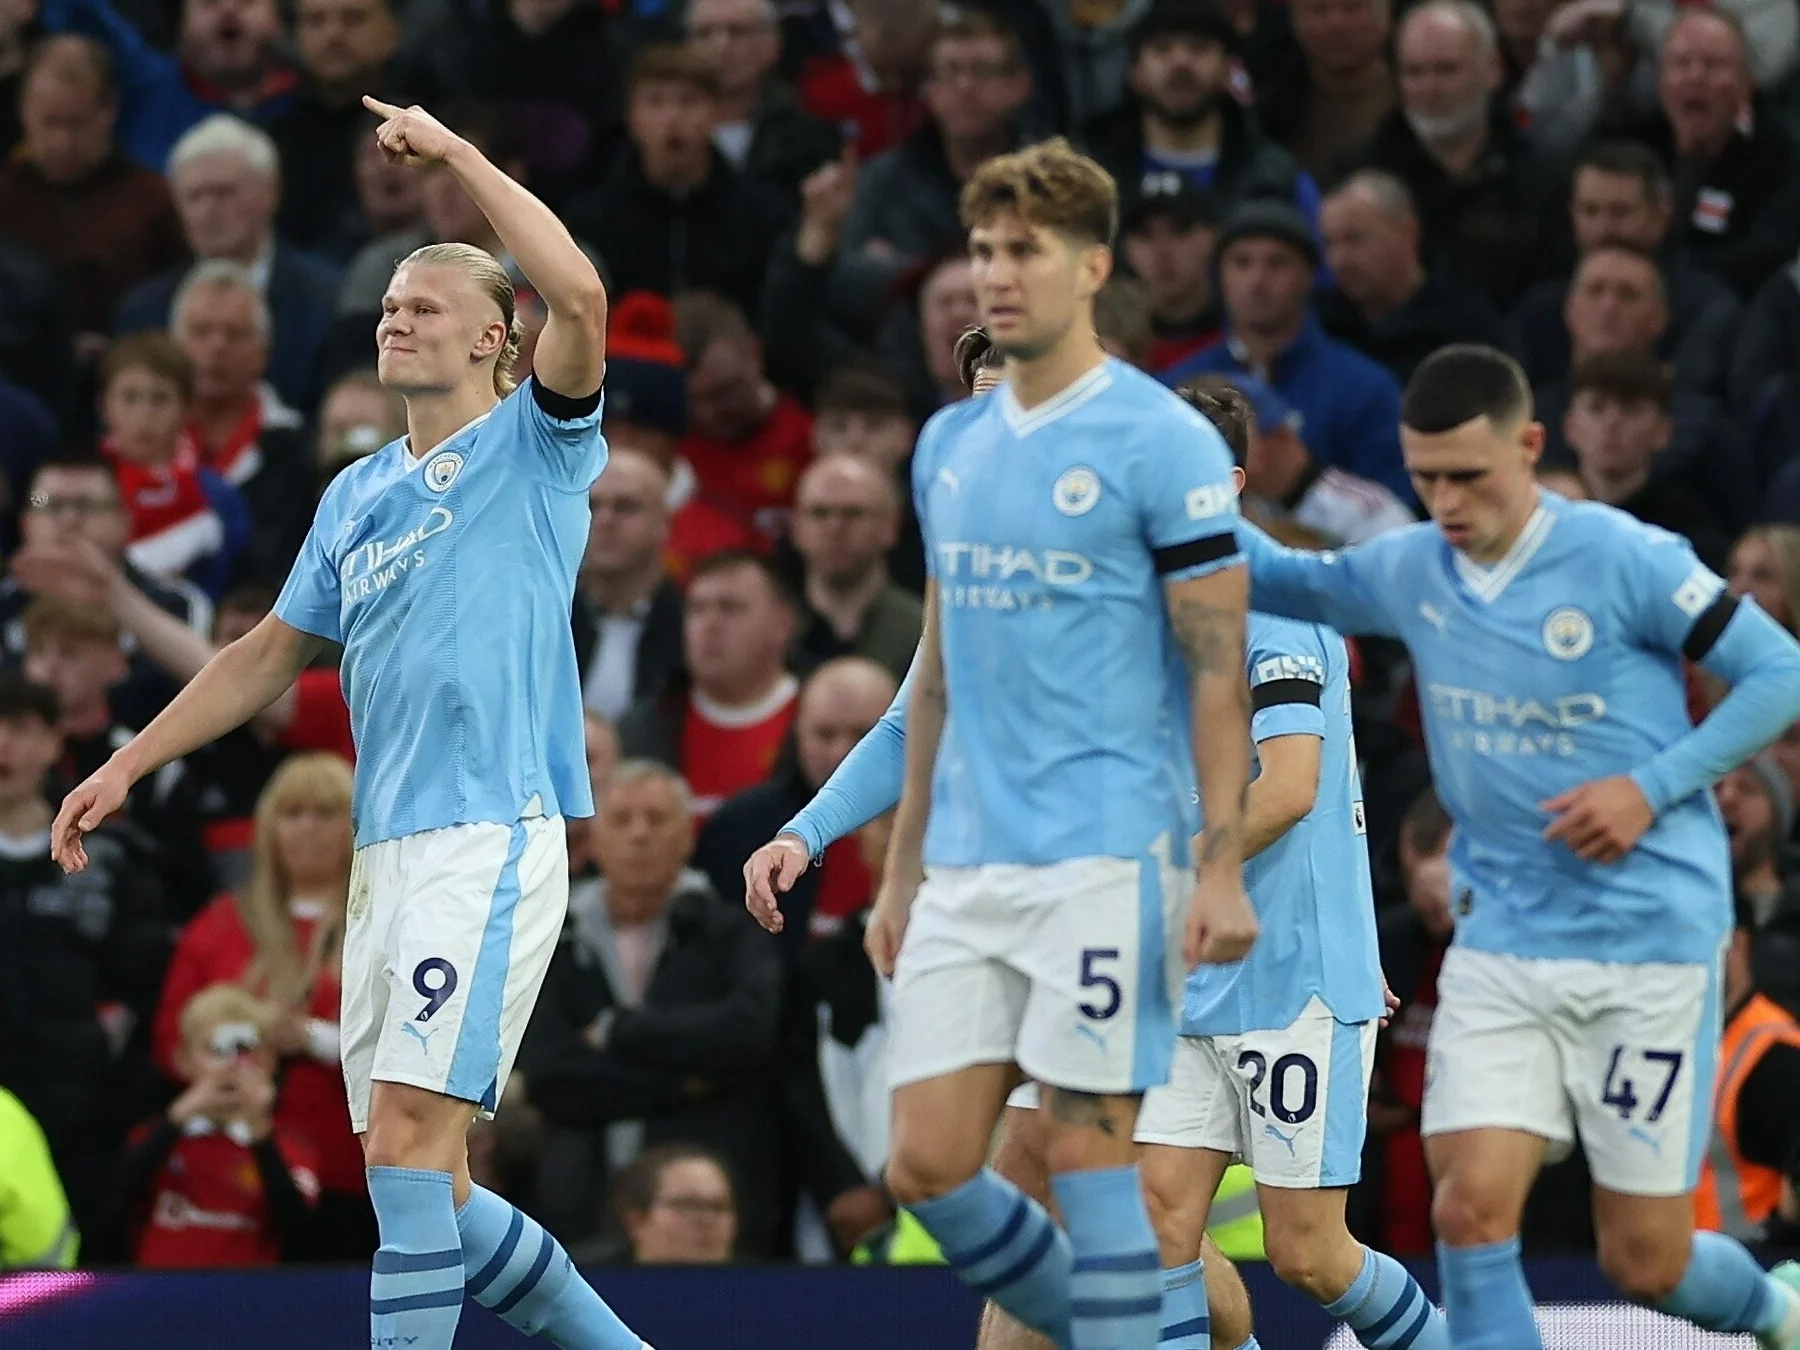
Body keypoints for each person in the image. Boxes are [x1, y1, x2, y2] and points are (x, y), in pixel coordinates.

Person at [51, 97, 650, 1350]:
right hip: (391, 850)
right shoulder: (356, 493)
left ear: (498, 339)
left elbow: (582, 300)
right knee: (419, 1177)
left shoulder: (537, 446)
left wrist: (463, 160)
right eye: (387, 303)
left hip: (487, 829)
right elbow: (267, 651)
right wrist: (125, 760)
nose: (394, 314)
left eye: (424, 303)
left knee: (417, 1148)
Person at [1233, 342, 1800, 1349]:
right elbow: (1271, 575)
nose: (1447, 502)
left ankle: (1775, 1308)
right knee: (1466, 1211)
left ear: (1531, 446)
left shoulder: (1626, 557)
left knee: (1646, 1261)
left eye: (1469, 476)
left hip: (1650, 943)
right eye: (1425, 478)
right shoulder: (1412, 567)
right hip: (1502, 943)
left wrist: (1651, 787)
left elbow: (1780, 674)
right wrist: (1157, 492)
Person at [871, 138, 1255, 1350]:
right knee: (926, 1168)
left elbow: (1212, 672)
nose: (993, 273)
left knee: (1093, 1172)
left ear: (1092, 267)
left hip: (1108, 860)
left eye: (1021, 251)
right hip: (971, 868)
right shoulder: (950, 446)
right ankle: (1146, 1332)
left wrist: (1223, 865)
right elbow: (939, 680)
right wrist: (899, 867)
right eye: (982, 249)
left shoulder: (1165, 444)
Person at [151, 753, 371, 1260]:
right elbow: (169, 1042)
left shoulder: (382, 926)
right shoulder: (220, 925)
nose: (308, 829)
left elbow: (413, 1043)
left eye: (326, 813)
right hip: (230, 1176)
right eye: (293, 814)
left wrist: (316, 1038)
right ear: (269, 827)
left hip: (351, 1170)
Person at [121, 982, 321, 1266]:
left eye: (244, 1050)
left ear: (269, 1062)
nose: (231, 1066)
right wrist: (178, 1116)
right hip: (159, 1295)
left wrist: (260, 1135)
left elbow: (297, 1223)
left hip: (245, 1299)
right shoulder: (154, 1134)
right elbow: (115, 1200)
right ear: (183, 1060)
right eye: (216, 1050)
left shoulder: (290, 1146)